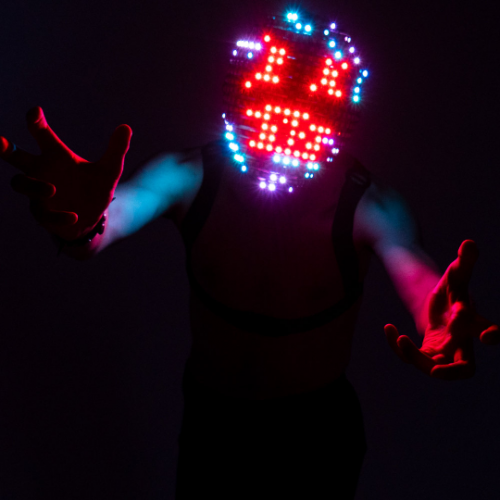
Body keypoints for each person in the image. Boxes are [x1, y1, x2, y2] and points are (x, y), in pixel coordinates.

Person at [0, 19, 498, 500]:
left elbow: (414, 271)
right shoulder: (188, 176)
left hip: (318, 435)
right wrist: (84, 221)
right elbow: (112, 220)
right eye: (270, 94)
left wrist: (437, 314)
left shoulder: (368, 205)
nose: (284, 119)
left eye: (310, 100)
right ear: (240, 93)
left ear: (341, 109)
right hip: (213, 426)